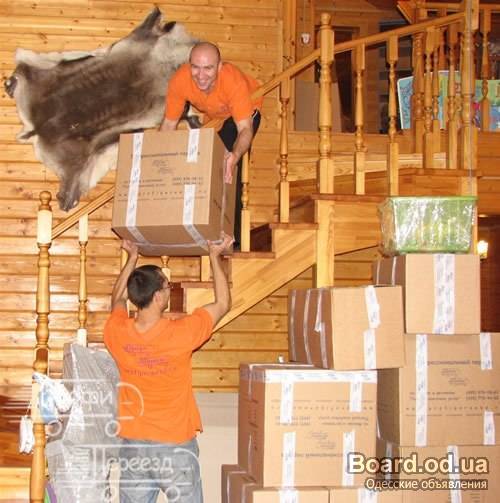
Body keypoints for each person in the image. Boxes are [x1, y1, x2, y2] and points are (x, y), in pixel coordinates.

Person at [104, 233, 233, 503]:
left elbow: (116, 299)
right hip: (175, 447)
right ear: (158, 297)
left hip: (134, 446)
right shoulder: (181, 333)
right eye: (166, 286)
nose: (168, 289)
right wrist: (214, 256)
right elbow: (223, 303)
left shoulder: (116, 332)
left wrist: (131, 258)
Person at [160, 42, 263, 248]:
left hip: (246, 112)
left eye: (208, 68)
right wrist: (158, 161)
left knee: (228, 166)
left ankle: (235, 238)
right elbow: (168, 125)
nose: (201, 75)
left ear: (219, 67)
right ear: (189, 65)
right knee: (206, 167)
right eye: (195, 67)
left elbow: (244, 129)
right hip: (217, 117)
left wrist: (234, 156)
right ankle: (212, 231)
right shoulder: (180, 80)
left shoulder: (233, 81)